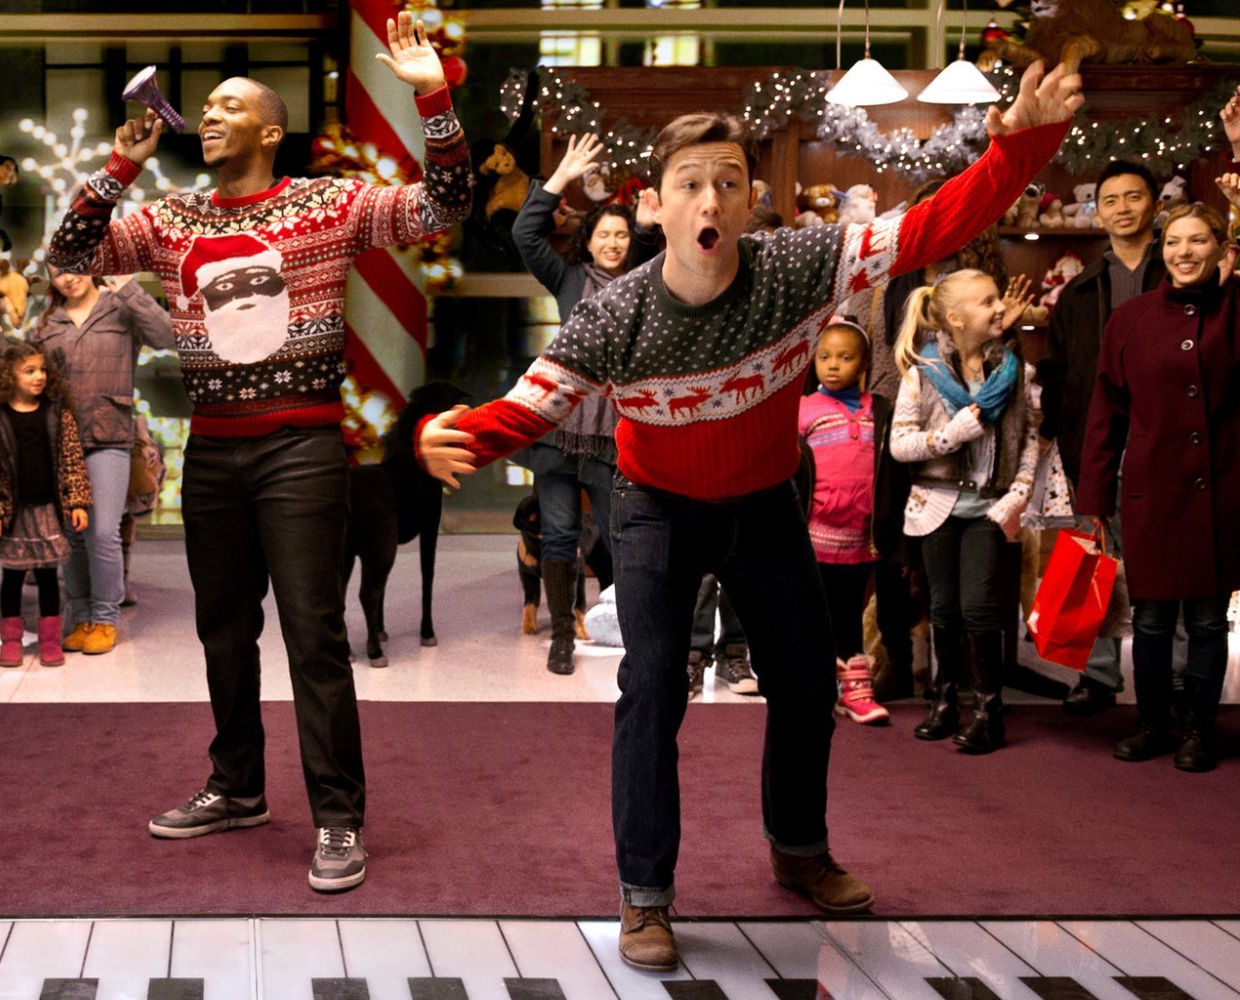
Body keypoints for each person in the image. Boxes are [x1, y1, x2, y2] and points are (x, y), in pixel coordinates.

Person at [418, 60, 1080, 971]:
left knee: (808, 685)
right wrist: (447, 435)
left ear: (750, 202)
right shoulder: (617, 316)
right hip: (655, 509)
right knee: (653, 690)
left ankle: (799, 850)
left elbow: (934, 224)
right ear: (656, 203)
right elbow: (531, 404)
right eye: (691, 183)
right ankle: (645, 894)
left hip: (767, 500)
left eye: (730, 183)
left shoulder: (800, 265)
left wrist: (1025, 143)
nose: (712, 200)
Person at [45, 12, 471, 894]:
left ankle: (340, 817)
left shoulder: (330, 201)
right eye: (202, 107)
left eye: (228, 106)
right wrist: (121, 162)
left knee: (314, 634)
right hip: (213, 452)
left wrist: (430, 95)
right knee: (222, 630)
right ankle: (237, 787)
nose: (208, 115)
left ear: (270, 130)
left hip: (303, 447)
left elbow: (446, 204)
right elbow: (67, 252)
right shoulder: (171, 219)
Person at [1077, 198, 1239, 773]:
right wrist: (1093, 498)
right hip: (1150, 493)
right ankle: (1151, 723)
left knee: (1206, 621)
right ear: (1160, 249)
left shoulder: (1234, 310)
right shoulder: (1131, 319)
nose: (1184, 252)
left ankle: (1198, 728)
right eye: (1174, 242)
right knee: (1148, 620)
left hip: (1220, 493)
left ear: (1221, 247)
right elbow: (1106, 414)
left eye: (1198, 241)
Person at [510, 132, 660, 675]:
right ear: (589, 240)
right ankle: (560, 640)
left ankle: (629, 632)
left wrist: (648, 225)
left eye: (622, 235)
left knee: (623, 537)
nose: (614, 243)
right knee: (560, 534)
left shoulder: (647, 283)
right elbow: (525, 234)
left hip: (613, 435)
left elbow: (664, 254)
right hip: (558, 432)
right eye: (605, 234)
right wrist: (556, 180)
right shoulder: (569, 279)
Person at [888, 270, 1043, 754]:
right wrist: (954, 432)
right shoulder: (923, 373)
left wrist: (1017, 493)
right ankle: (944, 700)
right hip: (935, 505)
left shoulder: (1017, 371)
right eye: (987, 302)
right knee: (943, 608)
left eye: (999, 299)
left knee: (980, 607)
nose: (999, 307)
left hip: (990, 509)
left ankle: (988, 711)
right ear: (954, 318)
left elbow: (1030, 440)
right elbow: (899, 446)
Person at [1037, 160, 1170, 714]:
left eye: (1132, 197)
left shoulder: (1179, 271)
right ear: (1098, 210)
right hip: (1096, 446)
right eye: (1110, 200)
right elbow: (1062, 373)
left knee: (1169, 561)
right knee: (1093, 559)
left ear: (1154, 205)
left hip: (1164, 445)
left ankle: (1182, 677)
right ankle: (1096, 675)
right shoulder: (1080, 290)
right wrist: (1069, 446)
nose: (1121, 209)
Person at [30, 267, 173, 655]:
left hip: (110, 434)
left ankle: (106, 617)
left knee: (104, 531)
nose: (67, 279)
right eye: (56, 273)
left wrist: (131, 290)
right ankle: (80, 617)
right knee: (72, 534)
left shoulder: (120, 307)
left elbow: (167, 334)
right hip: (60, 441)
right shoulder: (47, 322)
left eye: (74, 269)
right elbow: (26, 375)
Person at [795, 320, 895, 726]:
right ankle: (814, 687)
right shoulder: (804, 410)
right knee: (813, 613)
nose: (833, 365)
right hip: (816, 533)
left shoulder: (879, 411)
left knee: (851, 612)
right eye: (824, 357)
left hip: (860, 536)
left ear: (865, 363)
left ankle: (855, 690)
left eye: (845, 357)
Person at [0, 339, 92, 667]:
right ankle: (10, 639)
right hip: (14, 514)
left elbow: (71, 459)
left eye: (41, 370)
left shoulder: (56, 414)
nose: (39, 376)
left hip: (47, 512)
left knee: (48, 576)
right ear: (8, 376)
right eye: (29, 371)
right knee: (11, 579)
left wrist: (77, 501)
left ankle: (50, 640)